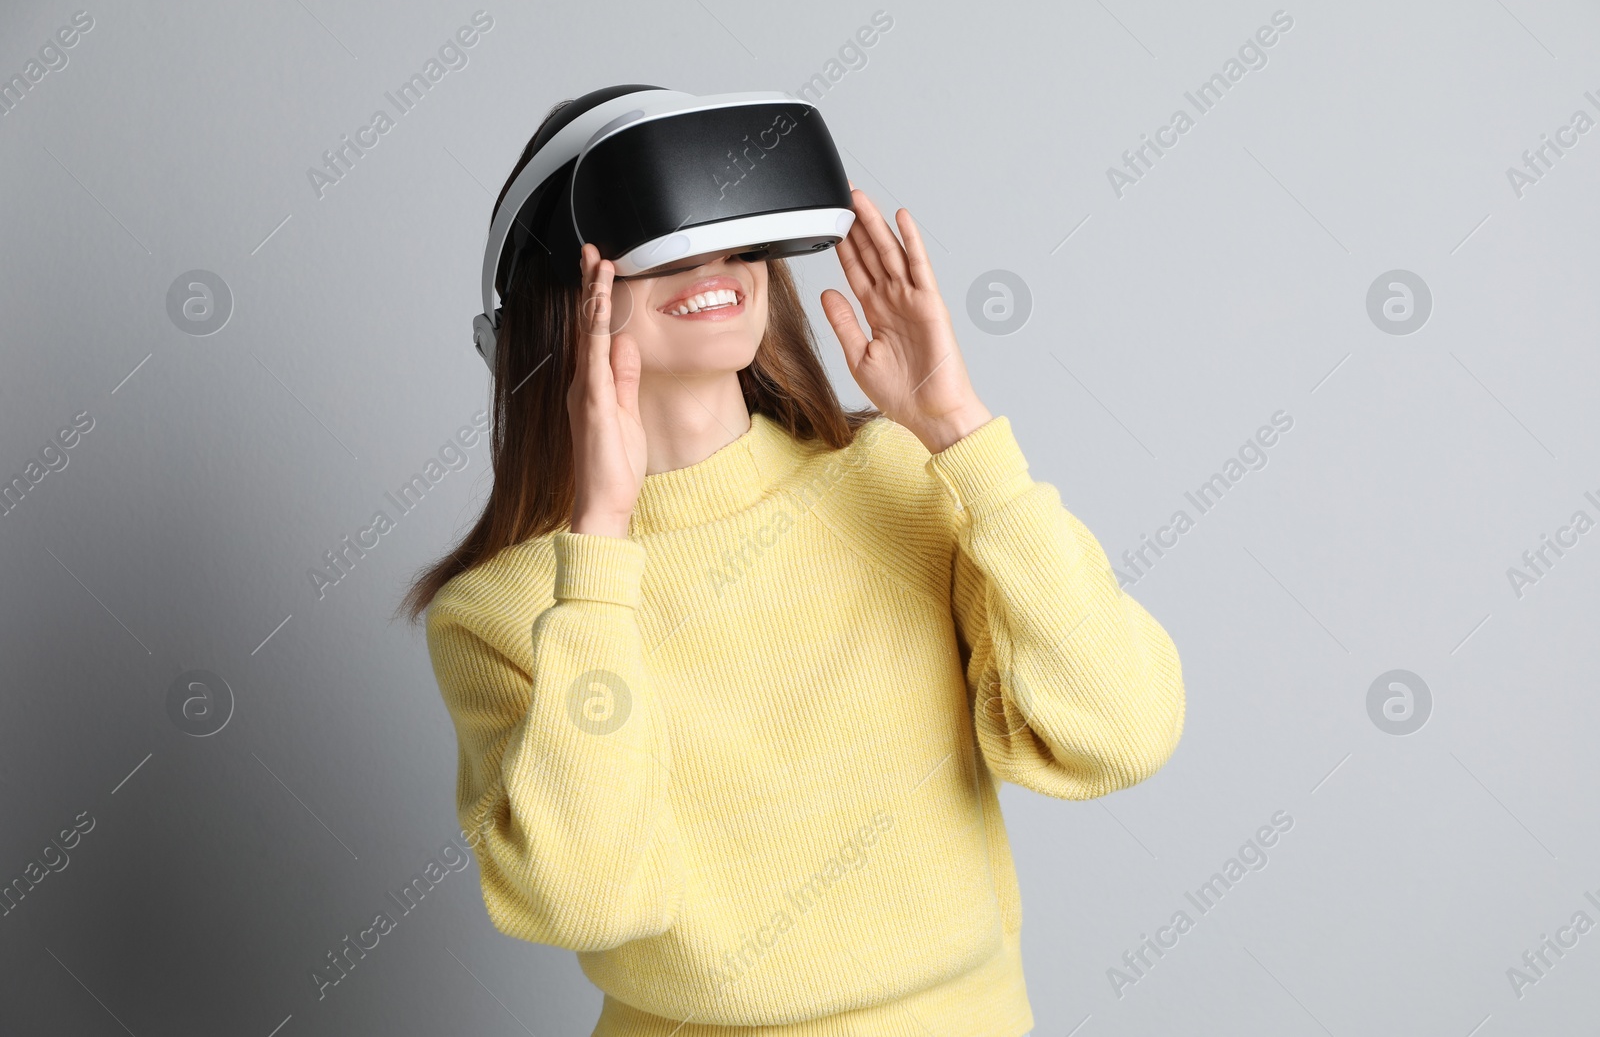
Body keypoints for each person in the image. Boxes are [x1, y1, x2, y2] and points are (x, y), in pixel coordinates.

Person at [402, 98, 1186, 1037]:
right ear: (560, 299)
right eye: (668, 249)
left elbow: (1120, 731)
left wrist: (962, 434)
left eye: (739, 246)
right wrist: (600, 550)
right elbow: (587, 897)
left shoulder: (896, 478)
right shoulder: (506, 611)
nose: (716, 271)